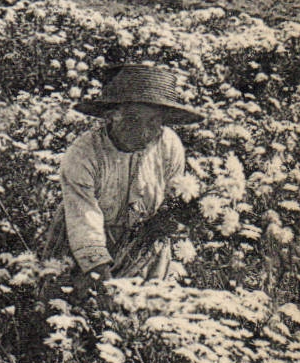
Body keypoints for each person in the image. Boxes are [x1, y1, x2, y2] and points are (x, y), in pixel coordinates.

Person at [44, 64, 203, 299]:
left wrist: (170, 221)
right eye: (136, 120)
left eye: (155, 122)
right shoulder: (84, 154)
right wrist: (103, 283)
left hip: (143, 245)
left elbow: (175, 197)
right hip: (82, 246)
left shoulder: (169, 145)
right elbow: (84, 219)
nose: (147, 132)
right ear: (113, 117)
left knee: (145, 312)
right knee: (75, 311)